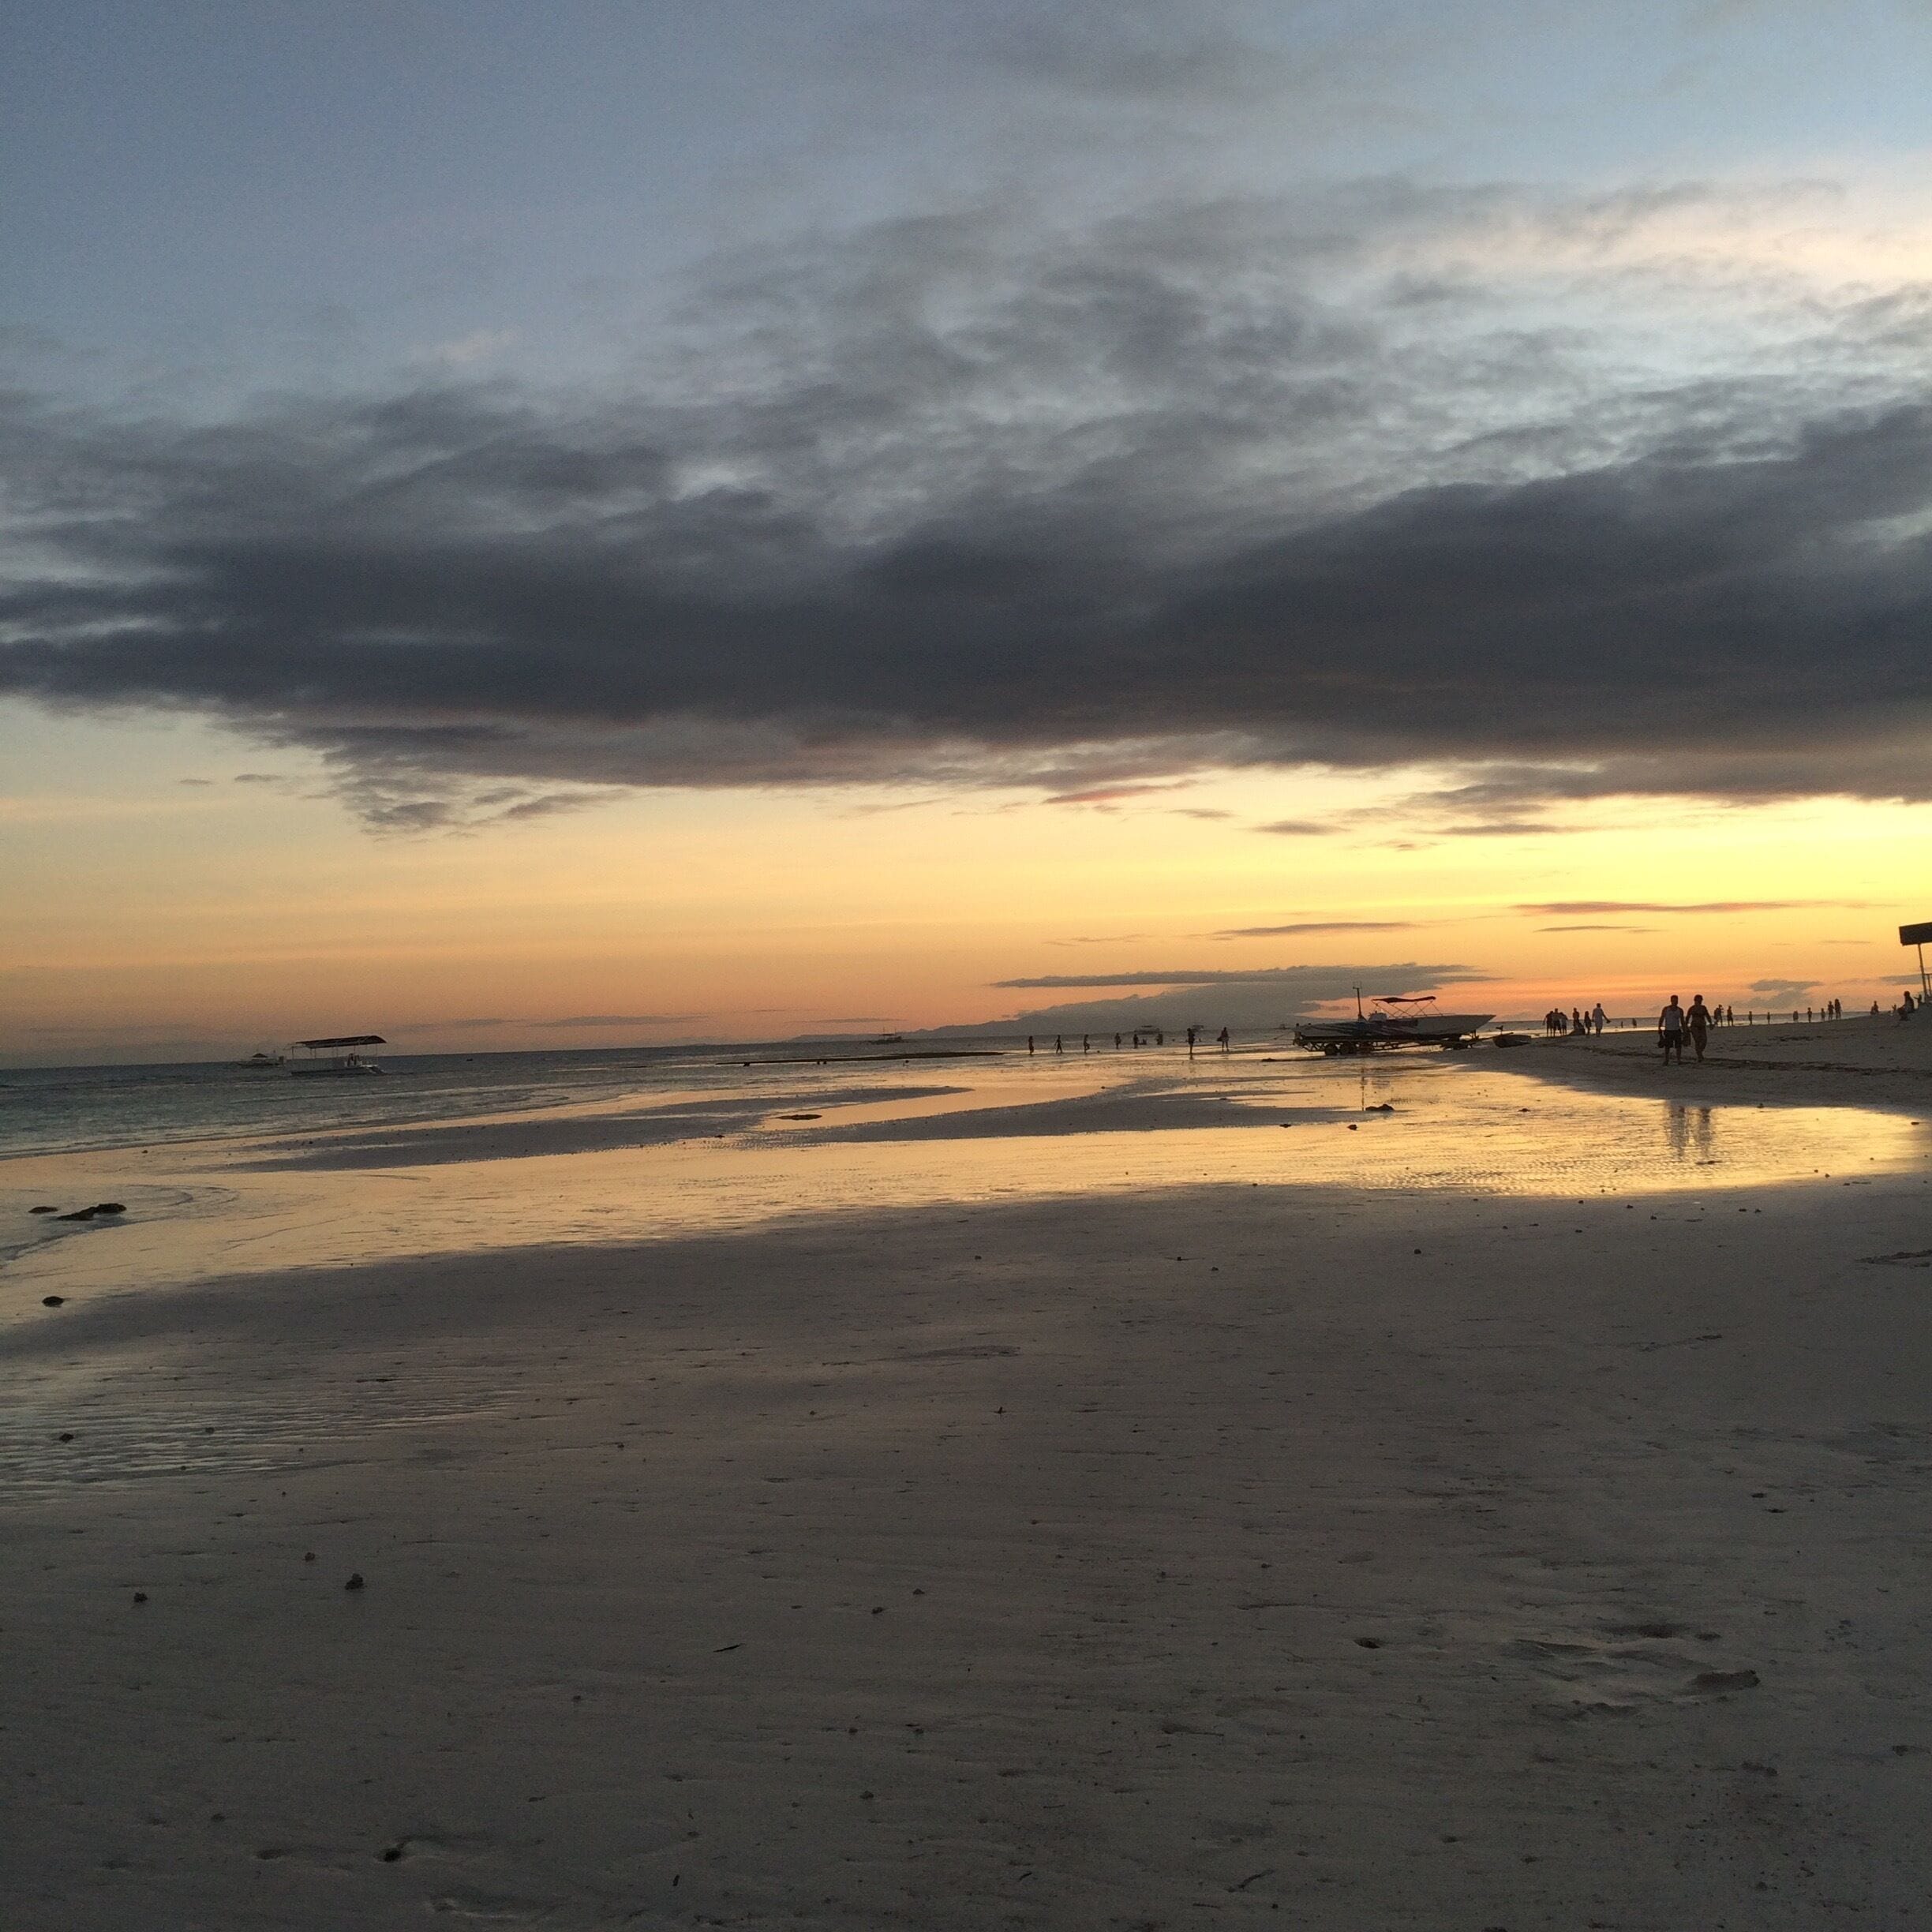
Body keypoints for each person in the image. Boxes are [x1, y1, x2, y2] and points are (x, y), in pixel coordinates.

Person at [1658, 994, 1687, 1065]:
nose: (1675, 1002)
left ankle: (1679, 1060)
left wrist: (1685, 1030)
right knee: (1667, 1046)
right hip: (1668, 1030)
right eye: (1674, 1000)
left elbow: (1682, 1021)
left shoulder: (1680, 1010)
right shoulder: (1666, 1009)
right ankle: (1666, 1060)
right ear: (1671, 1001)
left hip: (1677, 1030)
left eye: (1676, 1000)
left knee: (1678, 1046)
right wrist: (1659, 1028)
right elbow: (1662, 1018)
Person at [1687, 994, 1712, 1061]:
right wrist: (1686, 1027)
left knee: (1704, 1041)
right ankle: (1700, 1056)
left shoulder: (1703, 1008)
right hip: (1694, 1026)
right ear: (1695, 1000)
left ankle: (1699, 1053)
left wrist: (1711, 1023)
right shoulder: (1692, 1008)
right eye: (1699, 1000)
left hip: (1702, 1026)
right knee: (1697, 1041)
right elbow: (1687, 1018)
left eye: (1701, 1000)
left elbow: (1707, 1016)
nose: (1700, 1001)